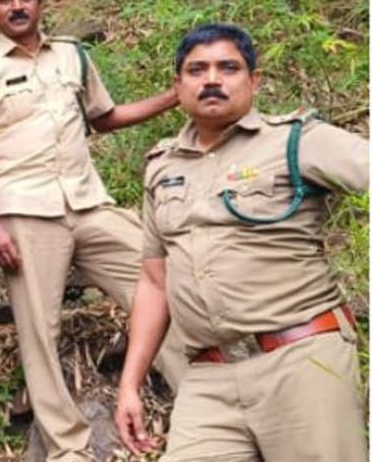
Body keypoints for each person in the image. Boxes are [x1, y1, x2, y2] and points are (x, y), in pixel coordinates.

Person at [0, 0, 187, 462]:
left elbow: (105, 118)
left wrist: (173, 97)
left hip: (86, 200)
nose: (16, 6)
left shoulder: (73, 57)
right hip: (24, 208)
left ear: (41, 1)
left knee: (159, 284)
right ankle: (68, 448)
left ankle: (197, 412)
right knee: (40, 331)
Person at [114, 23, 368, 462]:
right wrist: (130, 383)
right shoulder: (161, 167)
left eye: (228, 67)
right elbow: (155, 282)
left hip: (300, 359)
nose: (211, 79)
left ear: (254, 80)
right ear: (178, 86)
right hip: (208, 377)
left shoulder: (295, 141)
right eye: (197, 70)